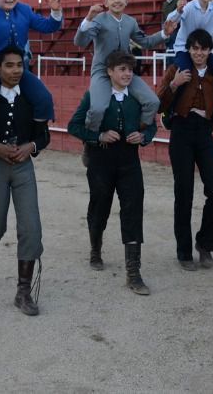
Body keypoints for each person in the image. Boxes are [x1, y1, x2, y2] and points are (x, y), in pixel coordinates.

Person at [0, 45, 50, 316]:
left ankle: (23, 292)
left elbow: (43, 136)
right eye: (10, 65)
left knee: (32, 227)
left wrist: (31, 147)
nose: (16, 70)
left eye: (19, 65)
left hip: (24, 166)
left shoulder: (30, 98)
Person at [68, 51, 157, 294]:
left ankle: (133, 272)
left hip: (129, 161)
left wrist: (143, 136)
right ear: (109, 72)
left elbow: (152, 126)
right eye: (122, 69)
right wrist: (98, 136)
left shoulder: (137, 98)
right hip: (100, 160)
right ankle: (95, 249)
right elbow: (73, 125)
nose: (127, 73)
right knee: (100, 208)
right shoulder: (95, 96)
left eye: (130, 69)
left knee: (133, 210)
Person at [157, 29, 213, 271]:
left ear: (209, 51)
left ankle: (204, 245)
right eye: (195, 48)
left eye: (203, 49)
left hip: (204, 132)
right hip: (181, 131)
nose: (199, 53)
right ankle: (183, 253)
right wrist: (173, 84)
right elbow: (158, 103)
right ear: (188, 49)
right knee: (184, 194)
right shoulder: (177, 70)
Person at [73, 0, 174, 134]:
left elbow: (145, 42)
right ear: (106, 2)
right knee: (98, 109)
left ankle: (136, 131)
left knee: (153, 102)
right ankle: (92, 139)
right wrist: (88, 18)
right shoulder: (98, 19)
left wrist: (164, 33)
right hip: (102, 70)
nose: (117, 1)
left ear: (126, 1)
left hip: (125, 71)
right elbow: (80, 42)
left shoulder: (130, 22)